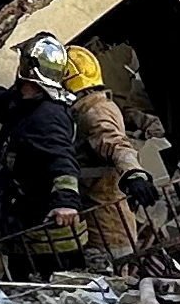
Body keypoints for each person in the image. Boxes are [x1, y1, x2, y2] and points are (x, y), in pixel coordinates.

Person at [0, 32, 88, 278]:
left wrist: (66, 201)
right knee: (22, 282)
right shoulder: (24, 103)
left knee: (50, 291)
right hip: (25, 225)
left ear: (28, 68)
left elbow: (62, 159)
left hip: (50, 236)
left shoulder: (47, 116)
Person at [59, 44, 161, 272]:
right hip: (106, 216)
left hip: (106, 220)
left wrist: (133, 174)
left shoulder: (93, 112)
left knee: (114, 278)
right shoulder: (97, 104)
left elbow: (115, 144)